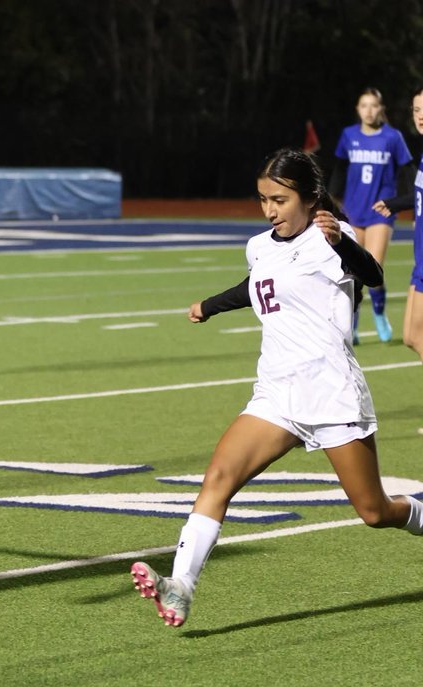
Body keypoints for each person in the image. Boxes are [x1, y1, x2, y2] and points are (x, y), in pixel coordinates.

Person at [131, 148, 423, 628]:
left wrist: (343, 244)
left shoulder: (333, 237)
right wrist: (209, 304)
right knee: (218, 480)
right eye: (264, 199)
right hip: (276, 393)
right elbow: (257, 286)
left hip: (330, 391)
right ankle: (180, 585)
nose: (270, 210)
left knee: (374, 511)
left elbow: (372, 275)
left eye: (280, 200)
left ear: (309, 199)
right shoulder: (260, 244)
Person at [329, 87, 414, 343]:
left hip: (380, 212)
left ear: (381, 109)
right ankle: (351, 324)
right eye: (363, 105)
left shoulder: (393, 137)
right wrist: (331, 200)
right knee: (352, 271)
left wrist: (402, 202)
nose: (368, 110)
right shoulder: (348, 135)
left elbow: (408, 173)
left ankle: (379, 313)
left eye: (373, 105)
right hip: (353, 211)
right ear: (358, 109)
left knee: (373, 267)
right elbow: (340, 170)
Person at [372, 85, 423, 365]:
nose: (421, 115)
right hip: (420, 261)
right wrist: (396, 203)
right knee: (411, 337)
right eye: (417, 110)